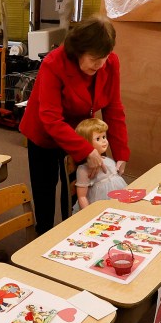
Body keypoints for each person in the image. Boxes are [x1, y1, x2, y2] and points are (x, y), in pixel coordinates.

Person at [19, 14, 130, 234]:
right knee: (45, 192)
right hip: (44, 133)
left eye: (104, 57)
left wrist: (121, 153)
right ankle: (45, 236)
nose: (99, 64)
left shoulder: (109, 63)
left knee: (78, 188)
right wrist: (86, 149)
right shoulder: (54, 64)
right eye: (93, 58)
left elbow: (114, 109)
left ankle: (75, 234)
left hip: (79, 133)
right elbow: (50, 118)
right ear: (78, 50)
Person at [73, 117, 127, 211]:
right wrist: (89, 214)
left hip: (117, 201)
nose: (104, 141)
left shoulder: (108, 160)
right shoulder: (84, 170)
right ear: (86, 142)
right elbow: (82, 197)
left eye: (104, 137)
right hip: (99, 206)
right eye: (98, 139)